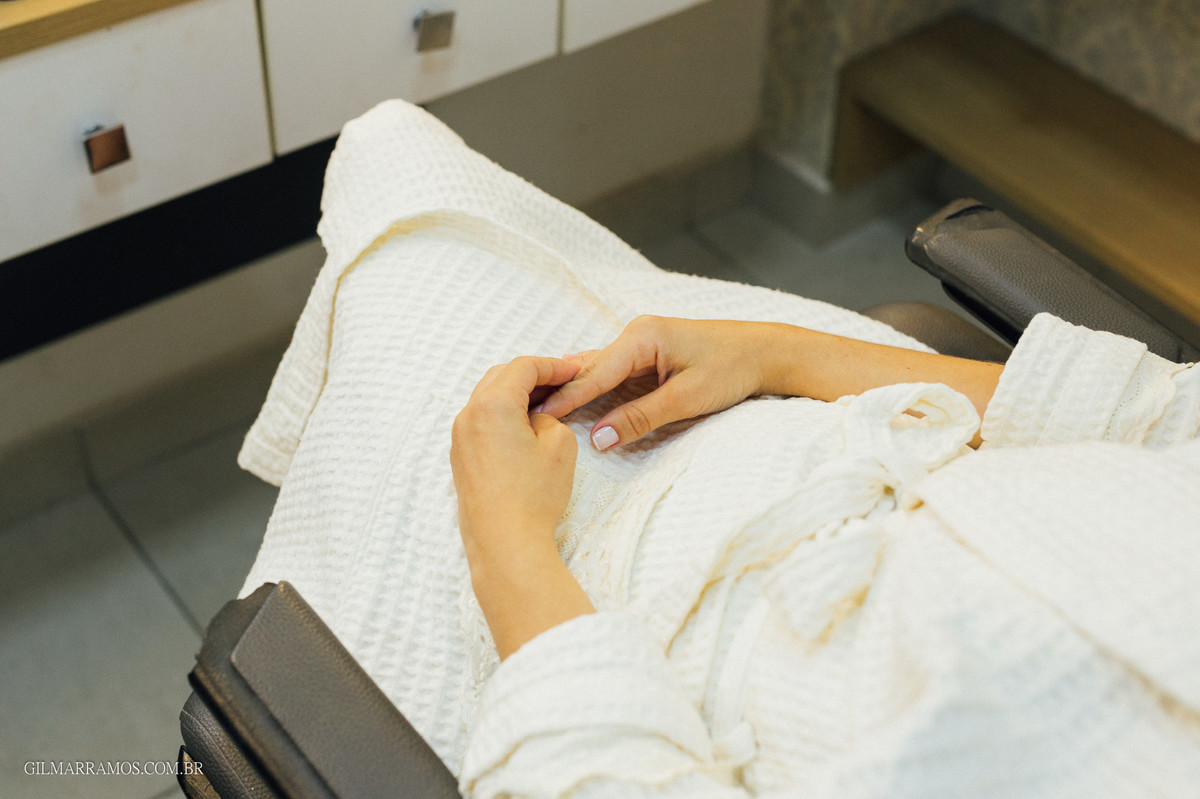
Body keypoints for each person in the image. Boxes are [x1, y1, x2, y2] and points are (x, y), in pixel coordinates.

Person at [237, 100, 1200, 798]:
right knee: (392, 149)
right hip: (851, 441)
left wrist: (506, 542)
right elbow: (1163, 413)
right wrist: (772, 352)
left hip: (607, 635)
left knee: (395, 218)